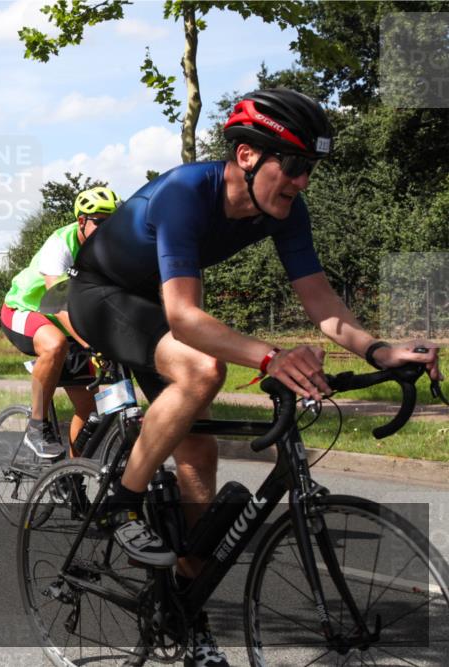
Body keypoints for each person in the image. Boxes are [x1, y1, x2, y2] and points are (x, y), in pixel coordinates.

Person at [67, 88, 441, 667]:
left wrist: (379, 350)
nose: (301, 181)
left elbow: (319, 300)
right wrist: (270, 357)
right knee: (203, 369)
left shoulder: (284, 210)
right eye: (292, 165)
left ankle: (184, 608)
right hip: (101, 295)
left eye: (309, 169)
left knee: (199, 452)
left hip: (154, 307)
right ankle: (123, 502)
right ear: (246, 155)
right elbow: (184, 317)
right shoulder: (186, 192)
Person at [0, 186, 120, 458]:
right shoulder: (60, 244)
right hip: (23, 309)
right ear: (82, 221)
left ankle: (71, 475)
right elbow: (56, 303)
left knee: (88, 409)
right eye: (100, 222)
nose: (107, 230)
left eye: (112, 223)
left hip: (66, 324)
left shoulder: (109, 250)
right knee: (54, 345)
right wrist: (91, 343)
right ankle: (36, 426)